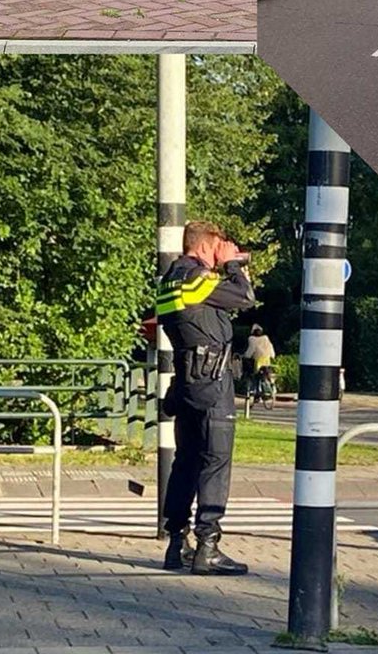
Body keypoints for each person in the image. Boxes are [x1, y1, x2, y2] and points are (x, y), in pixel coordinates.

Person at [156, 220, 256, 575]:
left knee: (186, 462)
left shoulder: (169, 278)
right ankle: (208, 547)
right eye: (219, 246)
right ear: (205, 244)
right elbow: (244, 297)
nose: (222, 253)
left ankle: (176, 544)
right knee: (215, 461)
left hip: (186, 382)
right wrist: (232, 265)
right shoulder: (197, 278)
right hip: (212, 381)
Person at [242, 324, 275, 398]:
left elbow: (251, 350)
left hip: (258, 360)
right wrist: (272, 355)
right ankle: (270, 386)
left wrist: (246, 356)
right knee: (265, 372)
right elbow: (270, 347)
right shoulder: (266, 338)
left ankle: (255, 389)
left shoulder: (252, 339)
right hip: (267, 359)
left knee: (254, 374)